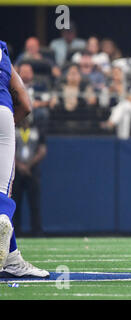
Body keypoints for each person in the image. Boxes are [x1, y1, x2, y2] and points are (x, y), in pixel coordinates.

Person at [0, 40, 49, 277]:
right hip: (2, 113)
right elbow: (26, 104)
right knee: (1, 189)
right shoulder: (2, 51)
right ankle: (11, 256)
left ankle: (11, 258)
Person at [12, 115, 47, 236]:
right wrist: (19, 165)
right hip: (17, 171)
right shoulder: (13, 130)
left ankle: (37, 231)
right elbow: (8, 149)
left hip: (32, 171)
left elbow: (42, 150)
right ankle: (15, 231)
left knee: (34, 203)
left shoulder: (37, 130)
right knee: (15, 202)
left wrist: (28, 165)